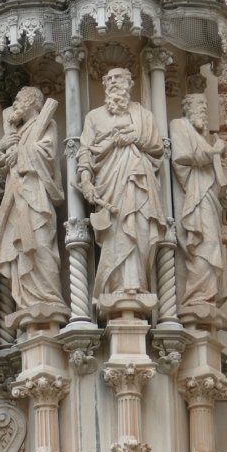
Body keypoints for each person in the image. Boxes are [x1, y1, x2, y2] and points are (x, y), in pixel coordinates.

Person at [76, 67, 167, 304]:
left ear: (129, 83)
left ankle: (137, 284)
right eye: (110, 79)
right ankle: (115, 286)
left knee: (140, 228)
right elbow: (85, 151)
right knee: (116, 233)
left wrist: (135, 139)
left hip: (140, 181)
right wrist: (86, 181)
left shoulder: (143, 115)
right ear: (104, 85)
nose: (114, 82)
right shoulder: (94, 117)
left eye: (119, 78)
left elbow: (157, 147)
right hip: (109, 184)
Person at [0, 86, 67, 322]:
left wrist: (19, 153)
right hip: (15, 198)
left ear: (31, 102)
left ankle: (48, 297)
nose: (15, 104)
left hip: (36, 195)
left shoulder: (45, 123)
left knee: (40, 243)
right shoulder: (14, 132)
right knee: (20, 250)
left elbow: (47, 153)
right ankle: (26, 300)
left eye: (19, 100)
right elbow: (1, 167)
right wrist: (2, 146)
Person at [171, 93, 227, 313]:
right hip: (194, 196)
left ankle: (205, 295)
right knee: (204, 243)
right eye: (200, 107)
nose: (204, 111)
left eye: (206, 108)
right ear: (187, 108)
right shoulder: (178, 125)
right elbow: (180, 157)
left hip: (208, 196)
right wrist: (212, 153)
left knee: (212, 242)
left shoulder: (202, 136)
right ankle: (196, 295)